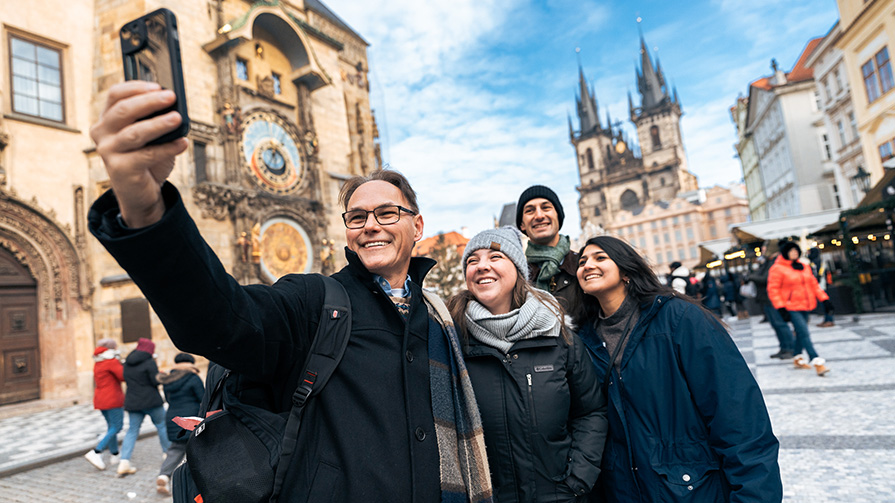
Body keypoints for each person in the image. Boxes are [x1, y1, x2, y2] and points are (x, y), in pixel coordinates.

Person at [87, 81, 492, 502]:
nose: (371, 225)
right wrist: (147, 211)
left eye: (387, 213)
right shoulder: (316, 303)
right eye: (356, 217)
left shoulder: (442, 319)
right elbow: (222, 319)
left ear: (418, 226)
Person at [573, 236, 782, 502]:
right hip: (624, 491)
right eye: (582, 262)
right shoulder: (583, 340)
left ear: (626, 270)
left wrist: (754, 496)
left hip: (690, 489)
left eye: (600, 257)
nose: (587, 265)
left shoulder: (681, 319)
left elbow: (737, 413)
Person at [448, 227, 607, 502]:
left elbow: (591, 412)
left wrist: (578, 478)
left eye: (495, 257)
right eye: (472, 261)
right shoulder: (453, 341)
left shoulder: (559, 337)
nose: (482, 266)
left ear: (518, 270)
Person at [767, 241, 832, 376]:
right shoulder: (777, 268)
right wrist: (781, 307)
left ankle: (797, 357)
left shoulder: (803, 266)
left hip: (806, 305)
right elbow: (773, 289)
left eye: (796, 251)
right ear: (785, 253)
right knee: (804, 332)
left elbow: (813, 284)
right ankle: (817, 361)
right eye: (791, 251)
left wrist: (824, 299)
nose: (794, 254)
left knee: (800, 332)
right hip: (791, 306)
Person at [516, 185, 582, 312]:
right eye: (530, 211)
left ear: (558, 216)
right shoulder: (517, 277)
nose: (539, 215)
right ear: (522, 225)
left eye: (546, 208)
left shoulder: (583, 266)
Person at [118, 337, 170, 476]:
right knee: (162, 425)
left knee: (132, 430)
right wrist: (161, 375)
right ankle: (168, 455)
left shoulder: (127, 363)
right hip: (151, 401)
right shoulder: (149, 362)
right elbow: (155, 381)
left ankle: (124, 461)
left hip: (133, 402)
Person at [155, 352, 204, 495]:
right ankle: (200, 483)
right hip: (190, 419)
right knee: (198, 448)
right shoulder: (193, 377)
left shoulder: (168, 379)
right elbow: (203, 398)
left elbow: (169, 400)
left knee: (176, 448)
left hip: (173, 418)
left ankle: (164, 475)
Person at [83, 338, 124, 471]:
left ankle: (115, 455)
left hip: (101, 398)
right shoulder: (111, 361)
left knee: (111, 427)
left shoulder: (98, 360)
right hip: (112, 398)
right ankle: (96, 451)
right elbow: (122, 376)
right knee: (117, 427)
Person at [749, 247, 795, 359]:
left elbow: (765, 279)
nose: (763, 251)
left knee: (780, 324)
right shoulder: (767, 262)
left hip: (773, 299)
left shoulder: (775, 262)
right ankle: (784, 347)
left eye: (765, 249)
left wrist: (751, 277)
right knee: (776, 325)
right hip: (766, 298)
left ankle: (791, 348)